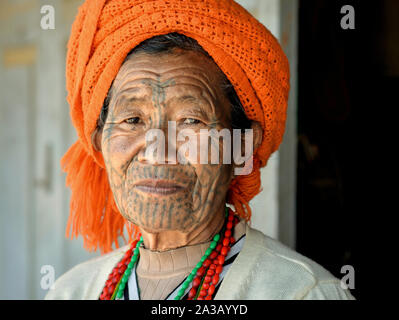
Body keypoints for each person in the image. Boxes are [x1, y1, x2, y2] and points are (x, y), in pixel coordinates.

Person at [45, 0, 355, 300]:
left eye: (190, 121)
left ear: (242, 146)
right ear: (99, 140)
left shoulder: (301, 293)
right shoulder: (72, 291)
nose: (157, 152)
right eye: (132, 119)